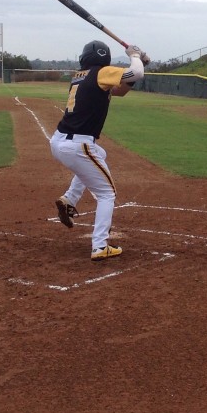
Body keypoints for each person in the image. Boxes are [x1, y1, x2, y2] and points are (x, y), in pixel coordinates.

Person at [50, 40, 146, 261]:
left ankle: (69, 199)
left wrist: (141, 63)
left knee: (99, 155)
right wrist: (135, 55)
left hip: (60, 141)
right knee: (107, 194)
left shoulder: (81, 75)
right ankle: (100, 246)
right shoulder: (102, 72)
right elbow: (136, 73)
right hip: (78, 144)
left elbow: (121, 90)